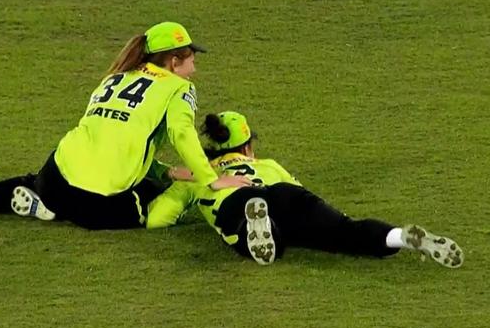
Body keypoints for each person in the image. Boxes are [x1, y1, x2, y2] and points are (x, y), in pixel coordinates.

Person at [0, 22, 252, 229]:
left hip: (56, 175)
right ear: (174, 62)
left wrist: (169, 170)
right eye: (191, 57)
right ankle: (53, 210)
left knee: (30, 181)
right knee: (157, 200)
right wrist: (210, 179)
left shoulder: (117, 77)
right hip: (98, 206)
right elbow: (180, 134)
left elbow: (116, 138)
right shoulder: (179, 88)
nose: (195, 66)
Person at [145, 111, 464, 268]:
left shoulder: (197, 175)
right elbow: (300, 192)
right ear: (248, 146)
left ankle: (258, 227)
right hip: (285, 193)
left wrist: (172, 190)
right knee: (346, 232)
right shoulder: (268, 164)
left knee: (249, 235)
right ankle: (399, 237)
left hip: (238, 202)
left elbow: (158, 217)